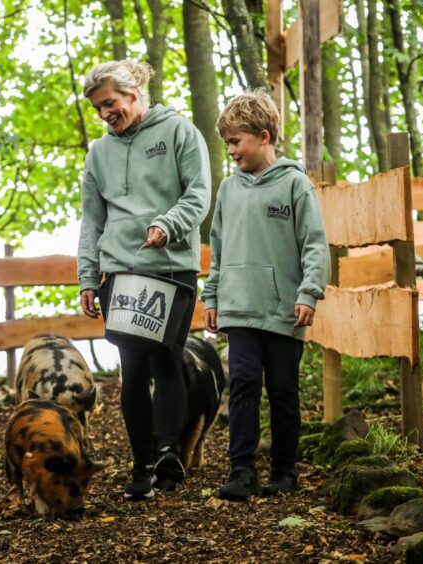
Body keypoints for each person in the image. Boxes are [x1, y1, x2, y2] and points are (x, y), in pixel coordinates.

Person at [77, 60, 210, 500]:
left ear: (134, 93)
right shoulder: (99, 154)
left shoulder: (180, 133)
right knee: (132, 368)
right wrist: (87, 278)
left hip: (172, 266)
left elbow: (198, 193)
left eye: (110, 103)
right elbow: (91, 221)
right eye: (98, 108)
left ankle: (169, 453)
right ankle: (142, 465)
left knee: (167, 358)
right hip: (121, 270)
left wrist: (168, 223)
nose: (104, 114)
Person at [202, 89, 329, 501]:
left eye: (236, 142)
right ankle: (241, 470)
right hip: (238, 308)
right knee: (240, 385)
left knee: (282, 390)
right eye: (227, 145)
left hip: (282, 311)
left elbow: (314, 244)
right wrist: (213, 296)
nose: (231, 151)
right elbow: (218, 249)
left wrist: (309, 293)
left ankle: (284, 470)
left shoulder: (296, 184)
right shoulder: (228, 190)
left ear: (263, 136)